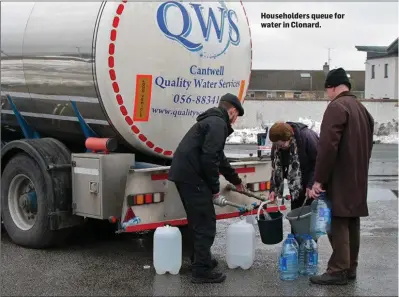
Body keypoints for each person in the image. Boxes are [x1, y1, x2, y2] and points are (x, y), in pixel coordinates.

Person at [168, 93, 246, 284]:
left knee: (197, 220)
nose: (235, 122)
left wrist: (234, 179)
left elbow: (218, 157)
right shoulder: (218, 124)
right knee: (205, 222)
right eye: (236, 117)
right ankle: (201, 271)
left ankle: (200, 260)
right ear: (233, 111)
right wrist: (214, 189)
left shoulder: (212, 121)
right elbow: (210, 158)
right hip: (192, 176)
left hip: (185, 174)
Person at [308, 68, 374, 285]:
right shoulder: (362, 110)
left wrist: (319, 179)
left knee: (337, 221)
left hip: (340, 176)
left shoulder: (336, 107)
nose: (327, 94)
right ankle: (350, 267)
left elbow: (327, 147)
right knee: (351, 220)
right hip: (357, 175)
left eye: (327, 89)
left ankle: (337, 270)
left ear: (333, 87)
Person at [267, 122, 319, 231]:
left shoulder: (306, 137)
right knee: (296, 222)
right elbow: (275, 168)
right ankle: (296, 243)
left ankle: (309, 245)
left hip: (310, 183)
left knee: (309, 223)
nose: (280, 147)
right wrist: (273, 189)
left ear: (289, 138)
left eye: (282, 144)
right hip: (295, 187)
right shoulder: (277, 144)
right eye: (277, 145)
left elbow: (318, 163)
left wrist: (311, 184)